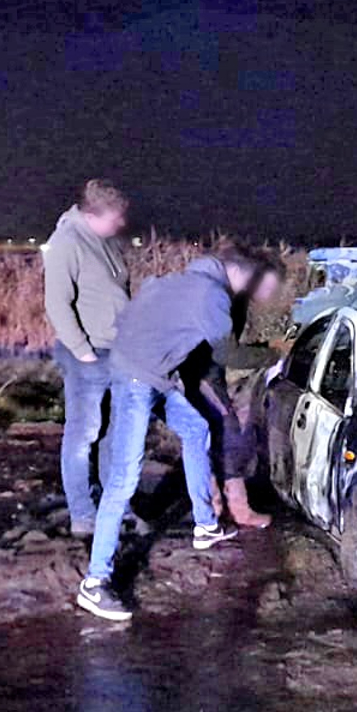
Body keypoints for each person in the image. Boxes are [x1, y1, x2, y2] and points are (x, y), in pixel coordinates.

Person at [75, 245, 268, 621]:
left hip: (147, 374)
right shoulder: (213, 296)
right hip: (138, 381)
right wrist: (273, 355)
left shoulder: (167, 282)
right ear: (238, 274)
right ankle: (95, 582)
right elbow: (229, 357)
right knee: (125, 479)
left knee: (196, 429)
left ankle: (206, 525)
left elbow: (126, 321)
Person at [42, 179, 130, 538]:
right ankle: (82, 513)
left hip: (116, 352)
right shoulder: (67, 242)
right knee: (83, 435)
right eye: (117, 217)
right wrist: (82, 351)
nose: (121, 224)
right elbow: (56, 303)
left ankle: (114, 508)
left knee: (114, 435)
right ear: (97, 214)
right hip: (88, 357)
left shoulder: (103, 243)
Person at [181, 239, 287, 529]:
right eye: (271, 284)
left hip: (203, 370)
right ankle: (222, 508)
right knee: (225, 434)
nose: (273, 293)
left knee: (221, 435)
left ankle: (220, 506)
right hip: (197, 372)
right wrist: (273, 353)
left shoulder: (234, 296)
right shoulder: (224, 296)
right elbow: (226, 352)